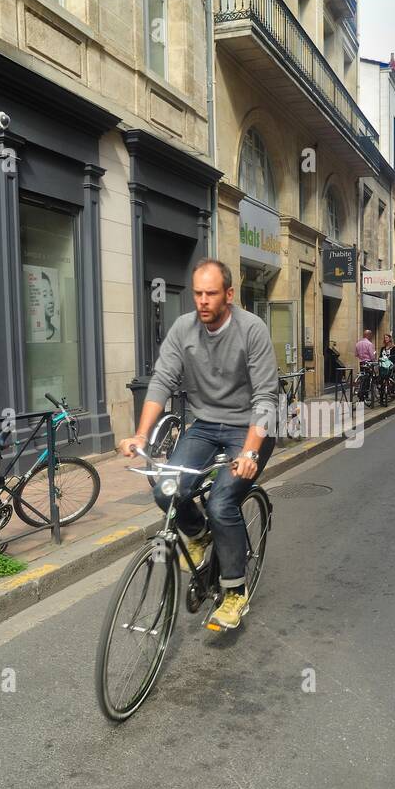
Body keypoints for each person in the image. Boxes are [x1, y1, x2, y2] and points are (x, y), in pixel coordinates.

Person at [116, 258, 278, 631]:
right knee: (166, 489)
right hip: (206, 425)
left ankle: (234, 591)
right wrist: (142, 434)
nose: (202, 301)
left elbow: (267, 399)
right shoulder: (183, 329)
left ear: (229, 295)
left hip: (249, 429)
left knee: (222, 502)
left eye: (211, 294)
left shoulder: (251, 330)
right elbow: (161, 382)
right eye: (198, 294)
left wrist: (251, 452)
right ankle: (200, 534)